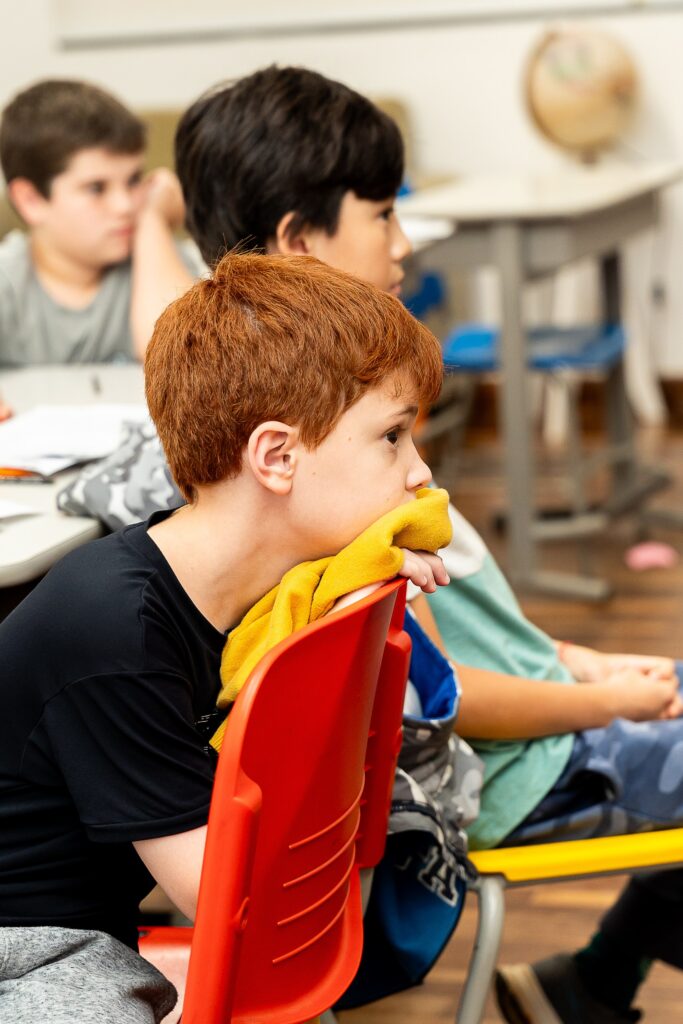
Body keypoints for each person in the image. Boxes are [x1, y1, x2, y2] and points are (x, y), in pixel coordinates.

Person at [59, 66, 683, 1021]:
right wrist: (597, 694)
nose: (403, 243)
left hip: (542, 721)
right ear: (300, 243)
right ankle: (593, 980)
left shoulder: (344, 441)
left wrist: (579, 662)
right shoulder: (326, 493)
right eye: (384, 215)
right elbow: (446, 691)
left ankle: (588, 983)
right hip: (516, 767)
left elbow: (473, 646)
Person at [0, 250, 448, 1021]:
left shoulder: (280, 591)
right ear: (276, 456)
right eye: (391, 437)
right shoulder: (113, 631)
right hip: (29, 945)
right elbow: (227, 898)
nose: (418, 473)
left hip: (97, 931)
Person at [0, 78, 198, 372]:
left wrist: (153, 220)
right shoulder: (9, 282)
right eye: (96, 188)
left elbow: (185, 362)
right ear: (31, 200)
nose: (126, 206)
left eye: (133, 181)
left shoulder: (156, 258)